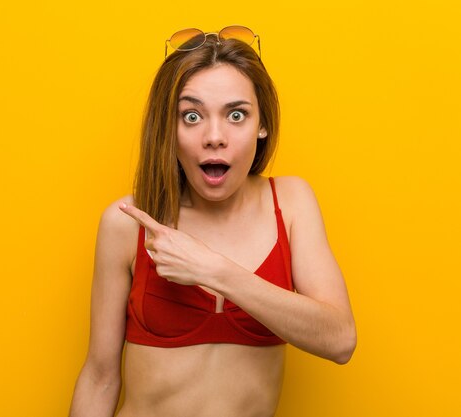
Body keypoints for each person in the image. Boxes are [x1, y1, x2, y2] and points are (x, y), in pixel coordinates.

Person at [69, 26, 356, 417]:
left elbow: (340, 340)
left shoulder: (291, 203)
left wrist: (214, 269)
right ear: (170, 129)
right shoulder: (129, 223)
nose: (214, 136)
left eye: (236, 115)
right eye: (191, 116)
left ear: (262, 124)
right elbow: (101, 377)